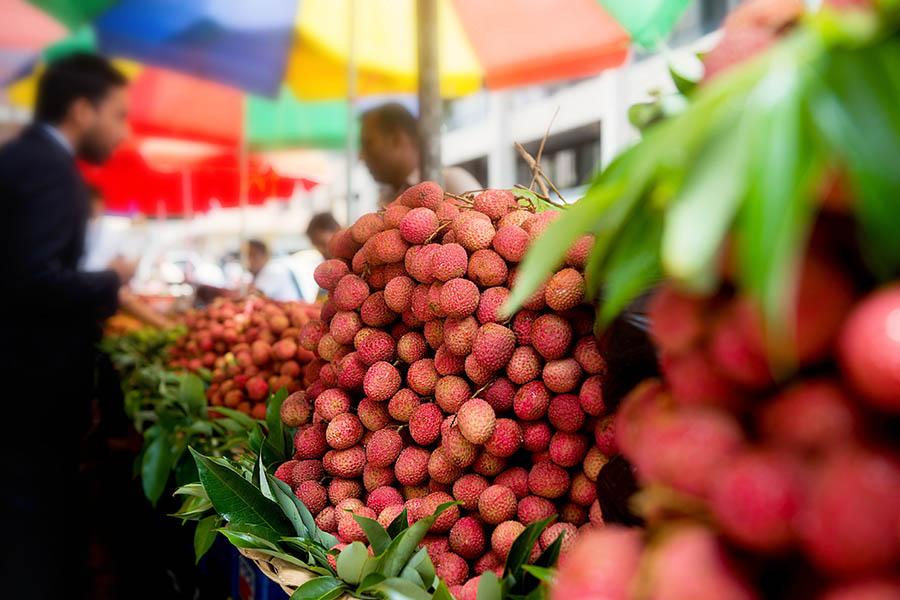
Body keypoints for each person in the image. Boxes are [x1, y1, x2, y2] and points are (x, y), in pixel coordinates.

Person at [0, 53, 131, 599]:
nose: (123, 132)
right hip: (29, 389)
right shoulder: (49, 170)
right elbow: (31, 281)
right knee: (32, 529)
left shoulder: (24, 159)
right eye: (118, 115)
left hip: (24, 386)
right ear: (81, 110)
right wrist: (110, 279)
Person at [359, 102, 482, 205]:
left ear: (396, 140)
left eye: (368, 144)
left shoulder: (451, 182)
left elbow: (482, 222)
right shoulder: (386, 200)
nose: (361, 157)